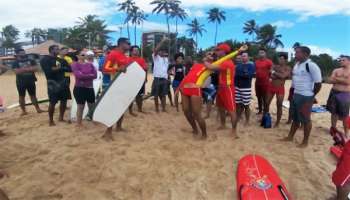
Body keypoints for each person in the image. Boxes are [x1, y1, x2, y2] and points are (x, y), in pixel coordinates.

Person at [204, 43, 248, 139]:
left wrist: (205, 61)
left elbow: (210, 67)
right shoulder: (222, 61)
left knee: (232, 110)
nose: (217, 52)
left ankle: (234, 131)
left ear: (223, 52)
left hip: (228, 88)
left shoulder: (227, 62)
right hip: (221, 87)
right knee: (220, 108)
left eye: (218, 50)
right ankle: (223, 125)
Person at [282, 46, 322, 148]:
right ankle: (290, 137)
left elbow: (318, 84)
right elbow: (295, 80)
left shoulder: (311, 65)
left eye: (297, 53)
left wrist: (311, 95)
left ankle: (305, 142)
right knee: (295, 118)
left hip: (306, 96)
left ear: (305, 54)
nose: (295, 54)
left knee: (306, 119)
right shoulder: (297, 65)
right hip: (296, 94)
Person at [178, 52, 215, 139]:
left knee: (197, 114)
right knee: (186, 111)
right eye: (207, 54)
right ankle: (195, 129)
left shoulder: (211, 67)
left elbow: (207, 78)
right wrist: (180, 87)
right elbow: (187, 75)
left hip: (195, 89)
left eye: (211, 56)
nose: (208, 56)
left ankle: (204, 134)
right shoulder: (195, 65)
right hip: (185, 88)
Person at [101, 38, 131, 141]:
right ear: (122, 44)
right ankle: (108, 132)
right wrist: (117, 69)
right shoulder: (113, 54)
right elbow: (105, 69)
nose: (130, 45)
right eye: (128, 43)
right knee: (114, 109)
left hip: (124, 85)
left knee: (122, 108)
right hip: (115, 85)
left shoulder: (125, 56)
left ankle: (118, 127)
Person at [40, 45, 72, 126]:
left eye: (58, 49)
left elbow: (69, 69)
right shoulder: (45, 59)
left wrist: (57, 68)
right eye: (56, 49)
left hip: (63, 83)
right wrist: (61, 68)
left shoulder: (61, 60)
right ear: (51, 50)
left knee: (64, 101)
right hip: (52, 83)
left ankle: (61, 118)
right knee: (52, 102)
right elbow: (48, 71)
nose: (58, 50)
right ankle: (51, 121)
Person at [12, 48, 44, 115]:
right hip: (20, 82)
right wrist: (30, 69)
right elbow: (17, 72)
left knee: (33, 95)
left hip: (31, 81)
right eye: (21, 53)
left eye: (24, 52)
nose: (23, 54)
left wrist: (23, 69)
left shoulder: (31, 60)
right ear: (17, 54)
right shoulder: (15, 62)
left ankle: (38, 109)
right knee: (21, 96)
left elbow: (37, 68)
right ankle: (23, 111)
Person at [264, 53, 291, 127]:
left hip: (280, 88)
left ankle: (277, 122)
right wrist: (278, 74)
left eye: (282, 59)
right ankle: (265, 117)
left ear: (285, 60)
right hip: (271, 86)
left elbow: (283, 76)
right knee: (266, 103)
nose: (280, 60)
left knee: (279, 105)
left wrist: (275, 73)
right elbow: (271, 75)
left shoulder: (288, 68)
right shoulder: (275, 66)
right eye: (279, 58)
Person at [326, 55, 350, 138]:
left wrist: (336, 78)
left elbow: (348, 82)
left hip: (345, 94)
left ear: (349, 61)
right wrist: (341, 79)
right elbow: (329, 80)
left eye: (343, 60)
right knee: (334, 113)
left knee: (345, 115)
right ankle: (333, 129)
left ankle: (346, 132)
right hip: (334, 92)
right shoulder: (336, 70)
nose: (341, 61)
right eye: (340, 60)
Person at [71, 50, 97, 126]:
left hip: (89, 88)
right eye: (82, 55)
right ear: (77, 56)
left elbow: (95, 75)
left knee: (92, 106)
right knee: (80, 106)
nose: (84, 56)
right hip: (79, 88)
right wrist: (90, 75)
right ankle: (79, 123)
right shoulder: (74, 64)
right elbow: (79, 76)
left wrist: (84, 76)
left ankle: (93, 120)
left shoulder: (90, 64)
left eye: (85, 54)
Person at [235, 52, 256, 126]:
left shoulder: (251, 65)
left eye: (244, 56)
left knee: (246, 105)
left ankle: (247, 121)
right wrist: (243, 74)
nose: (243, 57)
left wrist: (241, 74)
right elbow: (237, 76)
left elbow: (248, 76)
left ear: (248, 57)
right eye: (242, 56)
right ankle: (238, 117)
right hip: (237, 87)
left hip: (246, 87)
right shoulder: (238, 66)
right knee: (238, 104)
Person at [151, 37, 170, 112]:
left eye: (163, 51)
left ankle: (164, 109)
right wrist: (162, 41)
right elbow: (155, 50)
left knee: (164, 95)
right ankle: (157, 109)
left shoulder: (166, 59)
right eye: (160, 51)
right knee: (156, 95)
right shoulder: (156, 57)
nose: (162, 52)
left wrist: (168, 77)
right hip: (157, 79)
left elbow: (166, 70)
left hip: (164, 79)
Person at [128, 45, 148, 113]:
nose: (136, 51)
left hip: (140, 80)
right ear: (131, 52)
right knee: (130, 96)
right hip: (130, 81)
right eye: (135, 50)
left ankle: (140, 109)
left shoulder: (142, 60)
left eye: (137, 50)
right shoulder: (128, 59)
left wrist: (145, 78)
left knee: (140, 96)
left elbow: (145, 69)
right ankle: (130, 110)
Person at [255, 48, 273, 114]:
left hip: (265, 83)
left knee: (265, 99)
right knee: (258, 97)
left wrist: (270, 78)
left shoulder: (269, 62)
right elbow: (255, 71)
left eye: (262, 52)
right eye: (260, 52)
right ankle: (260, 110)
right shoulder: (256, 62)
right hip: (257, 82)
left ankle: (266, 112)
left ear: (265, 53)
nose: (261, 53)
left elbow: (271, 71)